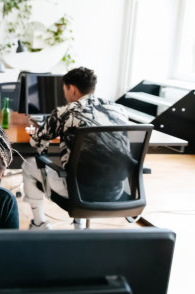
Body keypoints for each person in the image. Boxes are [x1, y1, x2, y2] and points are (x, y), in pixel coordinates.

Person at [22, 67, 129, 230]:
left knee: (29, 164)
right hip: (116, 190)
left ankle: (39, 223)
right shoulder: (118, 110)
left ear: (71, 88)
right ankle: (79, 225)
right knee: (84, 165)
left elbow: (36, 142)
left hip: (77, 192)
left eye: (64, 89)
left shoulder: (66, 112)